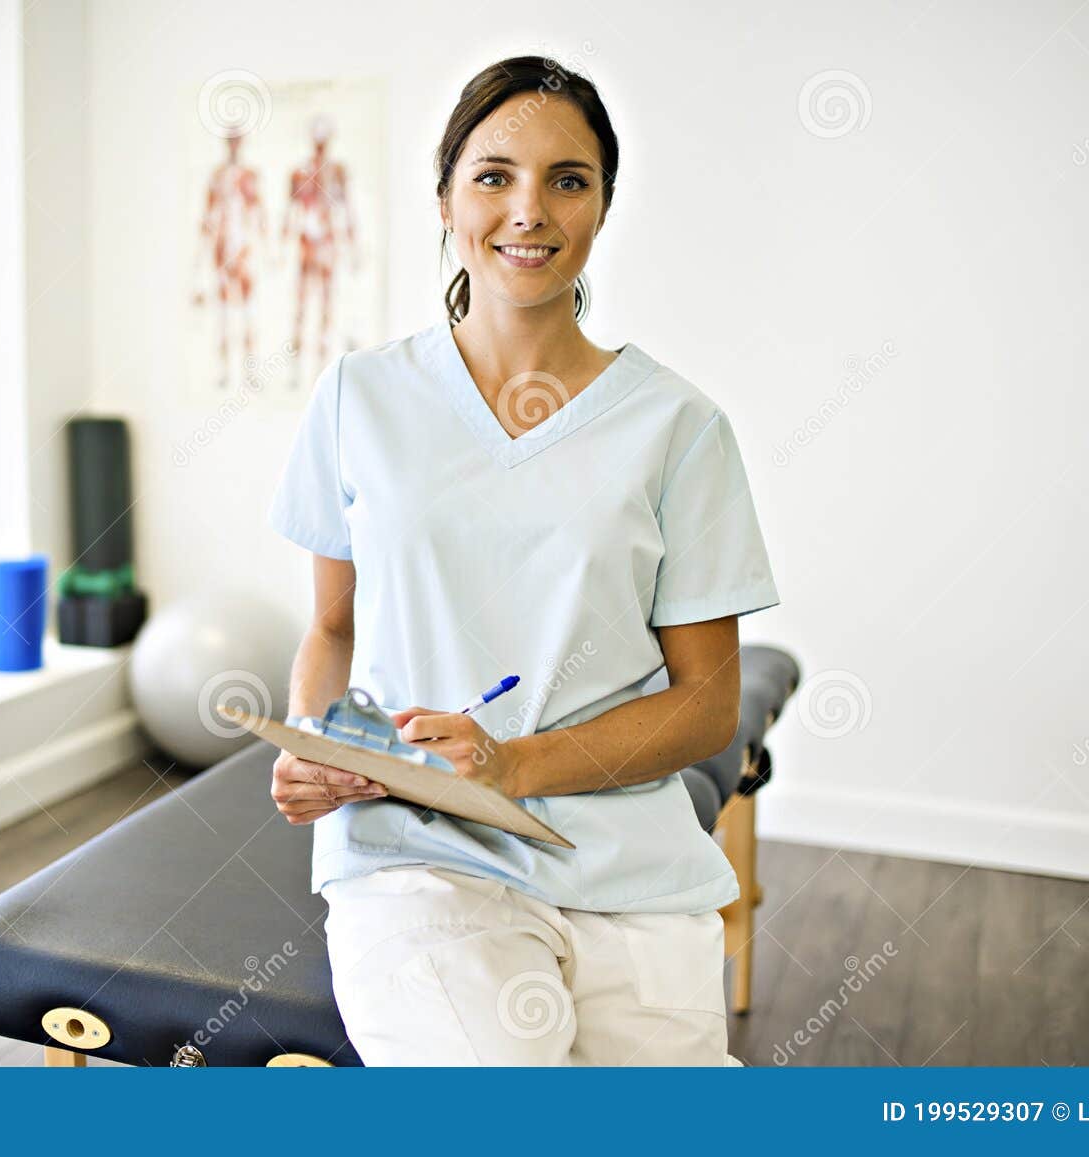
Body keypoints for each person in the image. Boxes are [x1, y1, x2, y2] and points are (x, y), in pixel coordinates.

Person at [265, 55, 780, 1066]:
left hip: (627, 860)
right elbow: (332, 626)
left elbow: (705, 704)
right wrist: (319, 741)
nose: (528, 210)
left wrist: (513, 763)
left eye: (567, 179)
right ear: (447, 196)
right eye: (494, 175)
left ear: (602, 204)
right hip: (417, 847)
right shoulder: (357, 398)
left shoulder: (679, 429)